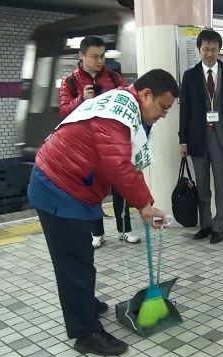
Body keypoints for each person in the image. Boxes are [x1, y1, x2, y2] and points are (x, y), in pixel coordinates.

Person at [28, 69, 178, 356]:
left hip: (75, 185)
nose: (163, 115)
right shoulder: (116, 115)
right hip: (58, 186)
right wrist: (145, 207)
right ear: (146, 95)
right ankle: (85, 331)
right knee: (74, 265)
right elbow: (119, 167)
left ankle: (83, 301)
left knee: (80, 256)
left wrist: (145, 202)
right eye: (163, 107)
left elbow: (127, 165)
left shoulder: (124, 106)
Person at [57, 36, 139, 249]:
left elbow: (128, 100)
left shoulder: (114, 77)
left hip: (113, 142)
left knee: (120, 187)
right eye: (94, 56)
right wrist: (81, 99)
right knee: (92, 191)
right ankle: (97, 233)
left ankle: (125, 230)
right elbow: (64, 113)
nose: (100, 60)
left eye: (102, 56)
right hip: (86, 147)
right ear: (81, 55)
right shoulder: (70, 82)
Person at [179, 29, 223, 244]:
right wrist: (183, 139)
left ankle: (220, 226)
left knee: (221, 185)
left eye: (214, 49)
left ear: (219, 50)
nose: (210, 53)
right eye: (206, 49)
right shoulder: (190, 76)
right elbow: (186, 110)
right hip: (198, 138)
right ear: (199, 50)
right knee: (202, 186)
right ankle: (206, 224)